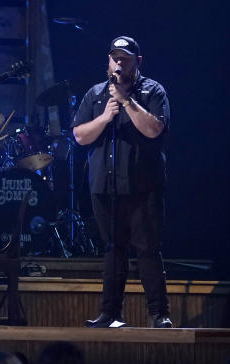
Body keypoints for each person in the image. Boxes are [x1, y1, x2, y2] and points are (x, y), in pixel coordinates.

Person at [72, 36, 172, 328]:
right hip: (105, 186)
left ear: (137, 62)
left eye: (124, 59)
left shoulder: (153, 91)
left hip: (144, 187)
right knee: (112, 249)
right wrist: (104, 118)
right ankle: (110, 313)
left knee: (147, 249)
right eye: (114, 58)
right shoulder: (96, 94)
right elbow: (79, 136)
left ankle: (159, 314)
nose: (118, 64)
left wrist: (127, 102)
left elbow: (154, 129)